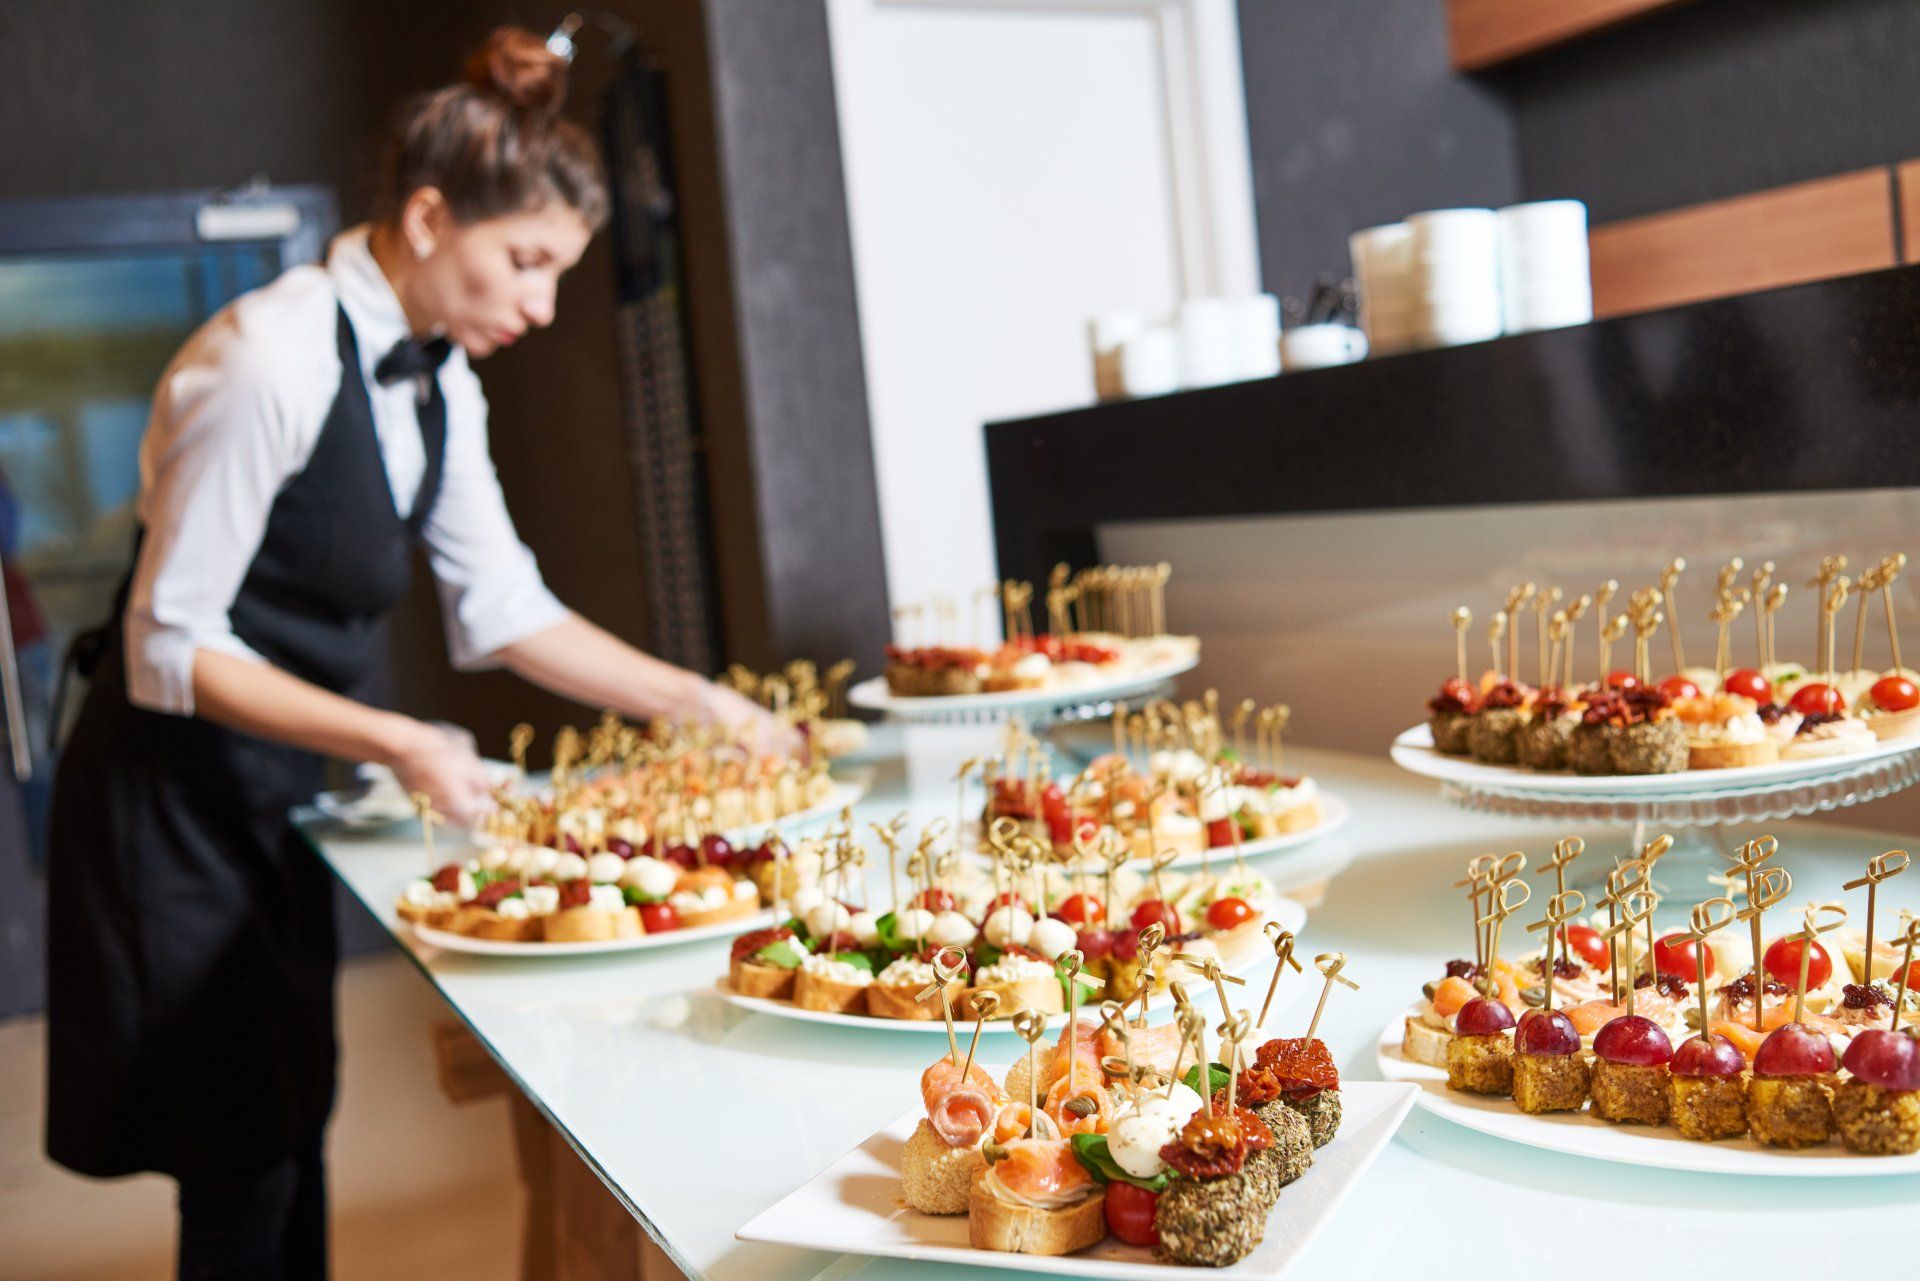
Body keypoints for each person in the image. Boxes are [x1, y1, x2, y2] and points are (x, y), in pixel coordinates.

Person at [45, 28, 775, 1280]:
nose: (544, 305)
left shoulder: (445, 382)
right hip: (169, 795)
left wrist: (702, 704)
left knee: (298, 1113)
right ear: (431, 217)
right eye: (528, 262)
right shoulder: (266, 355)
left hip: (280, 783)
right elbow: (170, 643)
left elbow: (502, 607)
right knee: (240, 1150)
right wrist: (399, 738)